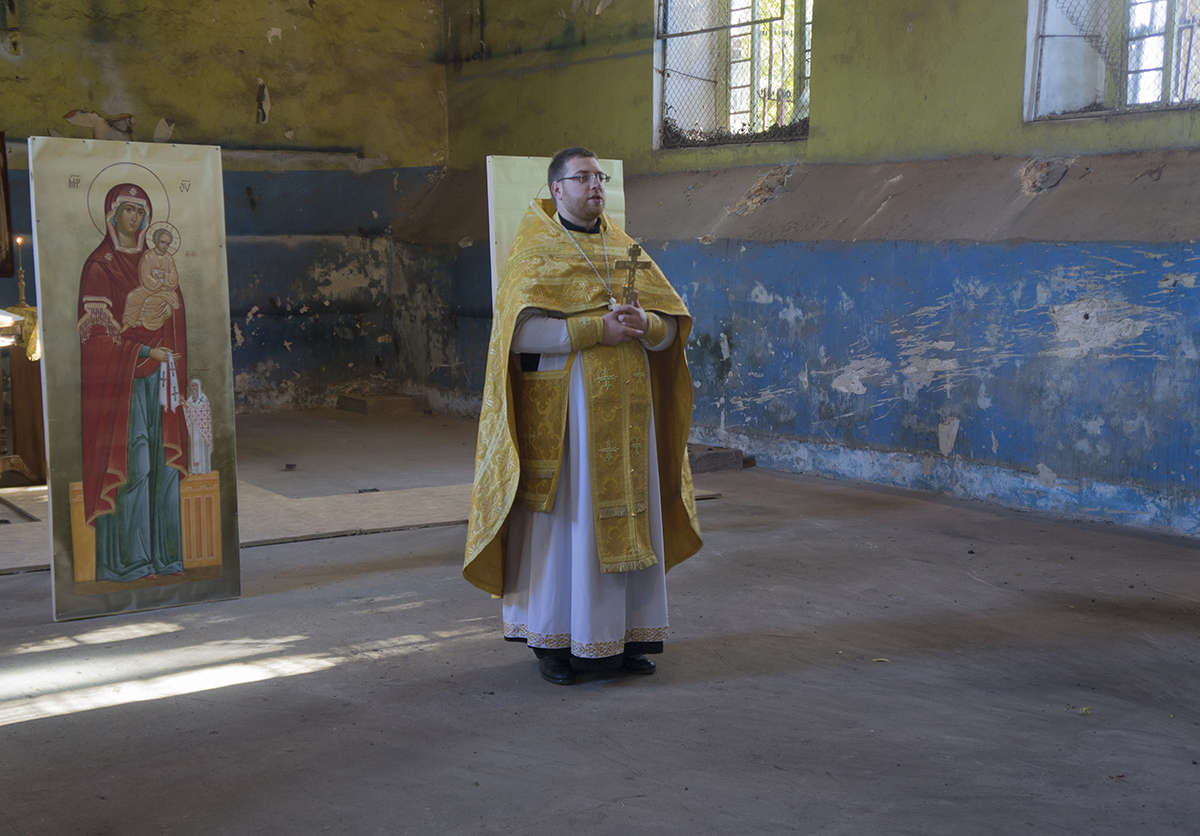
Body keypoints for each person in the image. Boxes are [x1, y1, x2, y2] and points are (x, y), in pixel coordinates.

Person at [464, 147, 702, 685]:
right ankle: (554, 644)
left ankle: (625, 637)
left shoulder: (625, 248)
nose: (596, 185)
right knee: (566, 528)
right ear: (557, 188)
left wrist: (645, 325)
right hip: (566, 419)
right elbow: (517, 335)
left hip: (628, 417)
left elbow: (670, 326)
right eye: (583, 177)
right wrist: (597, 329)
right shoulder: (535, 253)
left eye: (600, 177)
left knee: (631, 519)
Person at [77, 183, 189, 582]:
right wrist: (144, 351)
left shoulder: (156, 262)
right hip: (123, 385)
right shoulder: (100, 266)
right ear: (112, 214)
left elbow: (175, 316)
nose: (135, 217)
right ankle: (129, 561)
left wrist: (165, 349)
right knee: (135, 463)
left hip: (161, 378)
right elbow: (96, 338)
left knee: (163, 466)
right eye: (128, 209)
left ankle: (165, 557)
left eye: (141, 211)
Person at [124, 227, 181, 332]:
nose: (165, 246)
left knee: (151, 301)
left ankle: (142, 320)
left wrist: (164, 276)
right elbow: (144, 275)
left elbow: (174, 277)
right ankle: (128, 322)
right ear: (156, 240)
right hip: (150, 288)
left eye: (168, 244)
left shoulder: (169, 258)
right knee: (132, 296)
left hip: (166, 291)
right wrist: (158, 285)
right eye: (162, 242)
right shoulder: (148, 256)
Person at [183, 377, 213, 474]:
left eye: (195, 385)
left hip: (202, 429)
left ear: (199, 386)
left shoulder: (204, 399)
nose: (194, 388)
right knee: (194, 448)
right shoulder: (190, 400)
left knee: (201, 448)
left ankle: (203, 470)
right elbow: (188, 411)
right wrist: (184, 405)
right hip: (194, 427)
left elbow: (204, 414)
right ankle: (195, 470)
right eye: (192, 386)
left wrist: (187, 407)